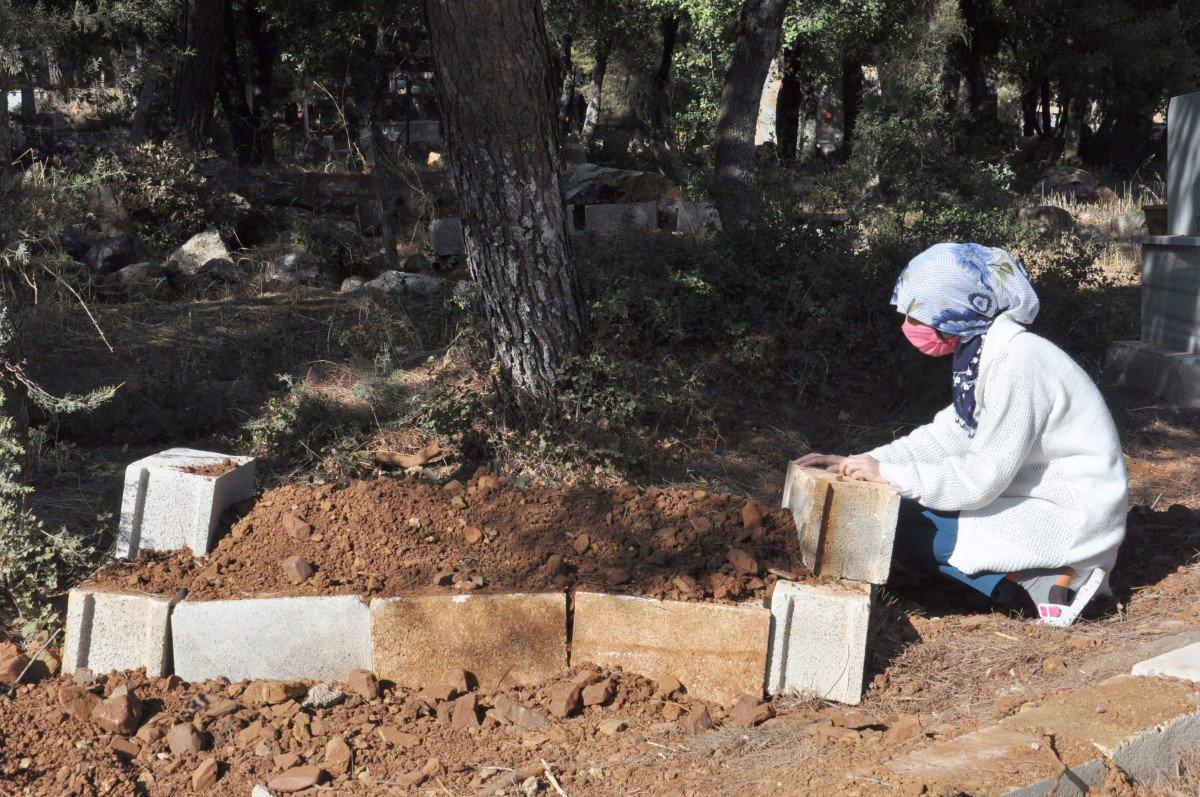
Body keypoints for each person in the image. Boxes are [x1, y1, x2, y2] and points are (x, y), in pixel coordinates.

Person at [798, 242, 1127, 627]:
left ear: (956, 312)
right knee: (888, 507)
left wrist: (889, 476)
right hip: (1035, 498)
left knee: (892, 521)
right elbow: (949, 434)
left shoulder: (1017, 365)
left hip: (1071, 520)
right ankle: (1013, 575)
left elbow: (980, 480)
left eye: (918, 317)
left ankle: (1044, 580)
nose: (908, 326)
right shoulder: (983, 356)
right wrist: (864, 463)